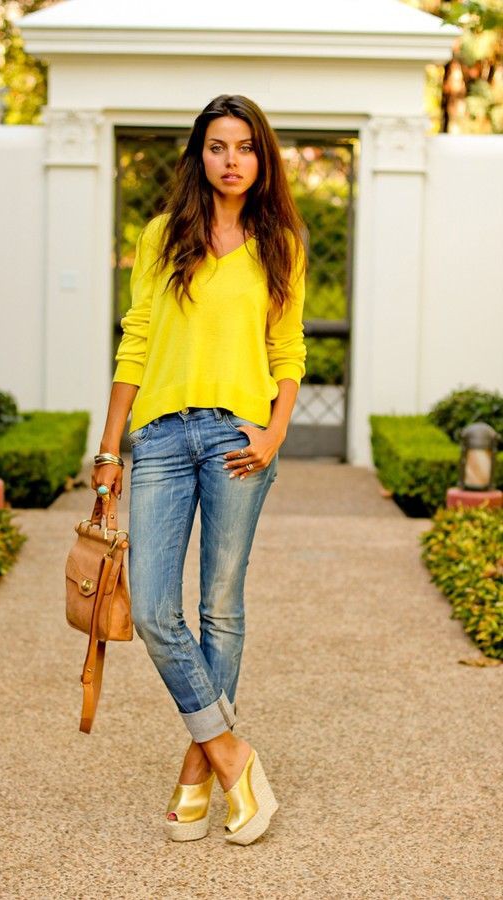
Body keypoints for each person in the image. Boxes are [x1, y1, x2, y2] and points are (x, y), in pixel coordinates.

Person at [91, 94, 307, 846]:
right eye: (218, 146)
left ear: (262, 155)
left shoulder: (281, 241)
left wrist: (276, 433)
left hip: (237, 441)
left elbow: (289, 354)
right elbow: (137, 339)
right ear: (199, 154)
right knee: (152, 608)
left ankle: (194, 770)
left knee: (220, 606)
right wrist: (111, 449)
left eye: (244, 146)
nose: (231, 159)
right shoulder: (161, 236)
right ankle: (229, 752)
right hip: (156, 438)